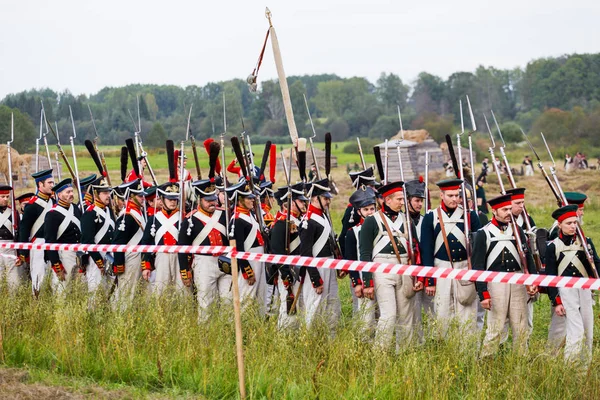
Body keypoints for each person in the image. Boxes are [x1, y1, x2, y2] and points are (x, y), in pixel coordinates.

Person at [360, 181, 423, 348]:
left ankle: (404, 352)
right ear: (387, 200)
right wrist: (368, 283)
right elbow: (365, 254)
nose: (403, 203)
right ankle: (380, 352)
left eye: (403, 199)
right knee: (388, 315)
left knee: (406, 315)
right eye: (399, 199)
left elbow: (415, 248)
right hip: (382, 270)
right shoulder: (371, 221)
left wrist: (418, 276)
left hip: (404, 269)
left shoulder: (407, 220)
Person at [472, 194, 537, 357]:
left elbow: (527, 258)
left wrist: (533, 281)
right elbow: (478, 266)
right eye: (504, 209)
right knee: (496, 327)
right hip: (496, 283)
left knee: (521, 326)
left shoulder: (517, 230)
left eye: (510, 208)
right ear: (494, 211)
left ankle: (521, 361)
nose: (509, 212)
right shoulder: (483, 233)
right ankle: (487, 361)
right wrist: (483, 294)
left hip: (518, 281)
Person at [420, 179, 481, 337]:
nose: (455, 199)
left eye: (457, 195)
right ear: (441, 195)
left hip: (465, 268)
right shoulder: (431, 217)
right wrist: (430, 281)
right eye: (451, 195)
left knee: (467, 312)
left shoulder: (470, 216)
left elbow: (478, 247)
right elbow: (426, 250)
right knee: (442, 312)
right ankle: (444, 346)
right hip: (442, 268)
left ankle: (467, 349)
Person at [546, 205, 600, 363]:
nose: (573, 226)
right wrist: (556, 301)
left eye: (575, 223)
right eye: (569, 223)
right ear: (560, 224)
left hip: (584, 289)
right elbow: (550, 277)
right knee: (575, 331)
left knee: (588, 330)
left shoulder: (586, 242)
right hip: (565, 291)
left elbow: (596, 264)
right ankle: (571, 366)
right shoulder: (553, 246)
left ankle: (584, 368)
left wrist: (590, 258)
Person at [179, 179, 230, 320]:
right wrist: (185, 271)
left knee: (228, 301)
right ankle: (206, 337)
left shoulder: (224, 215)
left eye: (213, 199)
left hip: (225, 260)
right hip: (204, 263)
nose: (212, 203)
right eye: (208, 200)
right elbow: (182, 248)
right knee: (206, 303)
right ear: (199, 200)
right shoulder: (190, 220)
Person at [300, 178, 341, 331]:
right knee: (315, 307)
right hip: (317, 267)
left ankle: (330, 338)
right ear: (315, 198)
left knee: (332, 304)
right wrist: (315, 279)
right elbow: (306, 253)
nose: (328, 201)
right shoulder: (308, 221)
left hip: (329, 264)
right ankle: (311, 343)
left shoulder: (323, 216)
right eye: (325, 198)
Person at [226, 178, 267, 314]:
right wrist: (247, 271)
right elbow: (238, 250)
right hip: (248, 262)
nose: (252, 200)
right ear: (239, 200)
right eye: (248, 198)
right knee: (246, 298)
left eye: (251, 198)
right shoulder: (237, 220)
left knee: (260, 296)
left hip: (258, 258)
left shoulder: (250, 215)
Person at [270, 183, 308, 329]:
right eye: (300, 201)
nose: (304, 203)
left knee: (302, 309)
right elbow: (278, 253)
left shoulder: (300, 221)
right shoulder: (281, 224)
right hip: (289, 272)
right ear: (290, 204)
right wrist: (286, 276)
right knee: (289, 314)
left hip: (300, 270)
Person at [141, 182, 190, 296]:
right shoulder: (154, 219)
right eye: (169, 199)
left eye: (175, 199)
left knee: (183, 293)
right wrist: (146, 266)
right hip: (161, 257)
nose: (173, 201)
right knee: (161, 292)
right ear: (162, 199)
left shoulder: (184, 218)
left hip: (180, 259)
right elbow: (146, 242)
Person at [344, 186, 377, 333]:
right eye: (366, 210)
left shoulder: (383, 228)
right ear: (359, 212)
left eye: (372, 209)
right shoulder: (353, 232)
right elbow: (351, 260)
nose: (370, 212)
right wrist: (356, 283)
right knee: (366, 318)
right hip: (363, 279)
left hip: (381, 277)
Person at [405, 177, 435, 332]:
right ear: (407, 200)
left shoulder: (427, 220)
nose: (419, 204)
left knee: (433, 311)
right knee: (412, 312)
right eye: (416, 200)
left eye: (421, 201)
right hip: (410, 272)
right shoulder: (401, 221)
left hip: (428, 271)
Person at [18, 169, 54, 295]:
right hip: (38, 244)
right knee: (39, 278)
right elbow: (24, 229)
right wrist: (23, 252)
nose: (52, 185)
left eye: (52, 182)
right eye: (49, 182)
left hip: (53, 244)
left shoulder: (53, 202)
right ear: (40, 185)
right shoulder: (32, 205)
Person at [44, 178, 82, 294]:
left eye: (71, 191)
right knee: (63, 290)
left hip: (78, 253)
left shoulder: (75, 208)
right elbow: (50, 242)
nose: (71, 194)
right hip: (64, 255)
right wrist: (57, 266)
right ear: (59, 195)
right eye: (68, 192)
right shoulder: (52, 214)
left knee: (78, 290)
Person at [112, 180, 146, 306]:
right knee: (127, 293)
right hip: (130, 258)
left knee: (137, 293)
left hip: (137, 257)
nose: (143, 198)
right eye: (139, 196)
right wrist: (119, 264)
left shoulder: (137, 211)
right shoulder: (127, 215)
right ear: (131, 197)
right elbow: (118, 241)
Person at [81, 177, 115, 295]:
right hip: (96, 258)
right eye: (105, 193)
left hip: (110, 257)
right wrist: (99, 262)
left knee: (111, 293)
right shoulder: (90, 213)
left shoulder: (109, 211)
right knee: (94, 292)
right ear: (96, 194)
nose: (108, 196)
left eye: (109, 192)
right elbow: (87, 241)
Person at [0, 185, 23, 290]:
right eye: (2, 196)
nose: (5, 199)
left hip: (10, 247)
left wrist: (19, 254)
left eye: (7, 196)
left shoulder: (13, 212)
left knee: (14, 281)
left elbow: (18, 234)